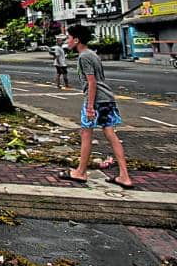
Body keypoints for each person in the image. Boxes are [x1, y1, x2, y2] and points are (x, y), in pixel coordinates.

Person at [57, 24, 133, 189]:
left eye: (69, 38)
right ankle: (124, 176)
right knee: (111, 134)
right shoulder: (93, 54)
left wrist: (90, 106)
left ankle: (80, 172)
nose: (67, 41)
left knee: (86, 134)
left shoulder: (84, 57)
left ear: (76, 40)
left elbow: (92, 83)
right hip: (107, 99)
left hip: (96, 100)